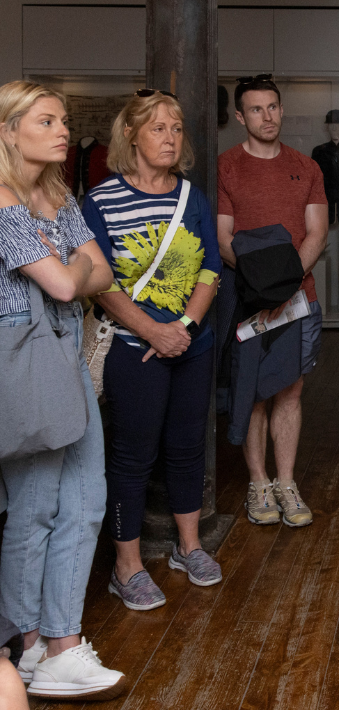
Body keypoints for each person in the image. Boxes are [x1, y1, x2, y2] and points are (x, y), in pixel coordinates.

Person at [0, 80, 126, 700]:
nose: (63, 131)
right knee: (35, 508)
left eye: (63, 120)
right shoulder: (0, 201)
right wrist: (74, 268)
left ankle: (63, 643)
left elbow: (101, 271)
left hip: (68, 356)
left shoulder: (56, 192)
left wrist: (74, 269)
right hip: (24, 363)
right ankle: (26, 648)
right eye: (46, 120)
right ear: (8, 130)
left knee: (87, 499)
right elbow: (63, 282)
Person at [82, 90, 224, 612]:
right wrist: (153, 331)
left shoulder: (193, 197)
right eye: (158, 128)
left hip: (193, 342)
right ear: (131, 135)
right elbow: (100, 282)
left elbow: (210, 265)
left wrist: (185, 325)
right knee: (133, 455)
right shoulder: (99, 202)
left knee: (187, 447)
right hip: (132, 347)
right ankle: (127, 566)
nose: (170, 137)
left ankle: (190, 547)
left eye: (177, 128)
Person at [216, 74, 327, 527]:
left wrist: (283, 286)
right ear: (241, 116)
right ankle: (258, 482)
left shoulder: (307, 166)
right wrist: (263, 288)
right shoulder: (226, 166)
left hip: (299, 300)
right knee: (254, 395)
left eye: (273, 107)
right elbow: (223, 239)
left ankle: (286, 481)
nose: (267, 116)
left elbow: (317, 233)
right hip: (248, 303)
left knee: (290, 391)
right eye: (256, 110)